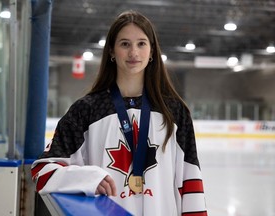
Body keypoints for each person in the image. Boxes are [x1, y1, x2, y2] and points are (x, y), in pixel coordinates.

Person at [31, 10, 208, 216]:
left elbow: (191, 181)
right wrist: (88, 179)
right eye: (125, 44)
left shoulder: (175, 111)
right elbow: (42, 171)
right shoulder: (87, 110)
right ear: (112, 52)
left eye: (141, 43)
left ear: (152, 52)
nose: (134, 52)